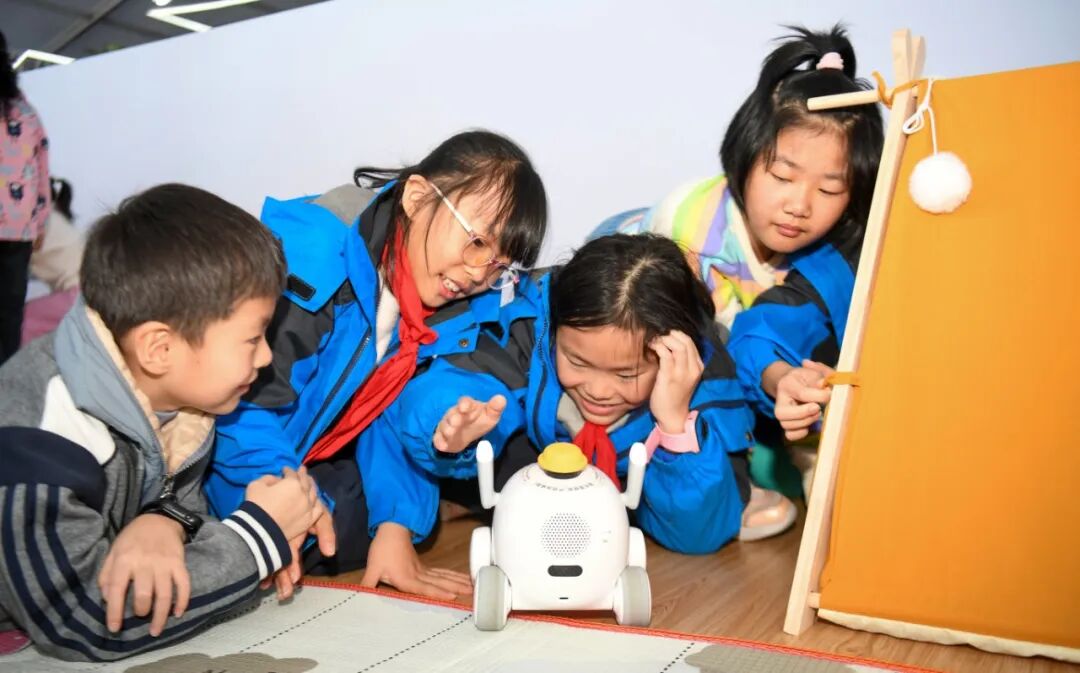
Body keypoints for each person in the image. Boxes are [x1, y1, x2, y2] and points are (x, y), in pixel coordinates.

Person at [206, 130, 548, 599]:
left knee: (363, 518)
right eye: (476, 243)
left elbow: (389, 411)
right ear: (417, 196)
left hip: (299, 459)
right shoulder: (313, 262)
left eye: (499, 267)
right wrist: (287, 502)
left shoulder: (430, 298)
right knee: (303, 539)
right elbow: (240, 405)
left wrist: (395, 529)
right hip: (213, 462)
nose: (477, 274)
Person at [0, 184, 335, 661]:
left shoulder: (181, 403)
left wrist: (165, 520)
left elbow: (181, 510)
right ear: (159, 348)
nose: (265, 358)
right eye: (253, 338)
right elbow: (80, 619)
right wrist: (259, 539)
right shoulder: (42, 430)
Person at [590, 26, 884, 504]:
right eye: (783, 176)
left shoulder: (837, 246)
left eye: (829, 189)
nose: (800, 205)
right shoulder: (691, 234)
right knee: (684, 363)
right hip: (638, 295)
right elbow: (698, 360)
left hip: (744, 354)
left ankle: (769, 456)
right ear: (745, 155)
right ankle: (733, 472)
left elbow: (784, 337)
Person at [387, 233, 758, 554]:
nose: (598, 391)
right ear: (554, 330)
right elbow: (453, 380)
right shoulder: (524, 324)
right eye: (577, 362)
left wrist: (674, 425)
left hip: (633, 501)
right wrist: (449, 422)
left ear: (668, 356)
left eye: (626, 374)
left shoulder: (700, 376)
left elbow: (699, 537)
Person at [0, 29, 51, 364]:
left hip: (19, 229)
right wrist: (40, 221)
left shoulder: (23, 110)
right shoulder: (24, 110)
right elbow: (42, 164)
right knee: (9, 315)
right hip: (18, 229)